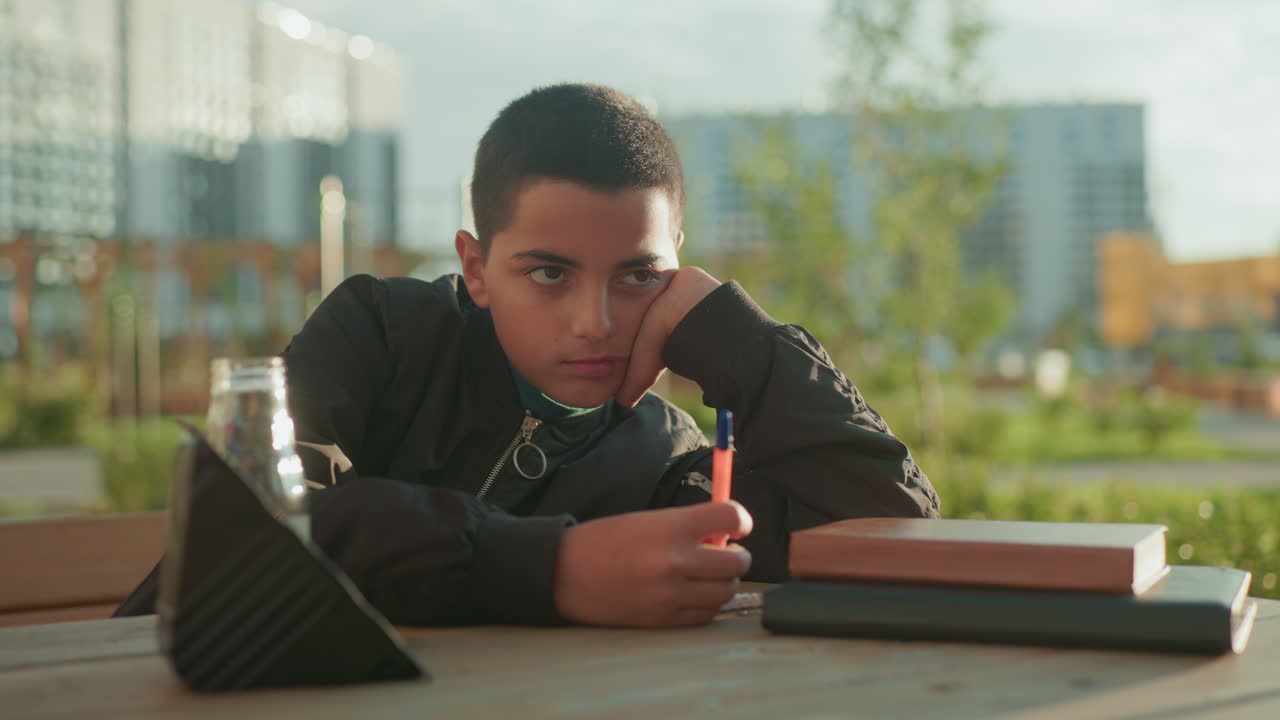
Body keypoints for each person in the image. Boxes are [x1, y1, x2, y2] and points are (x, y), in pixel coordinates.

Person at [117, 83, 938, 628]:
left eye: (637, 277)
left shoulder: (666, 456)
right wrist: (551, 567)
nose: (595, 323)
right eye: (549, 273)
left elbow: (896, 539)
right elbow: (255, 536)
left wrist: (744, 342)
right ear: (475, 267)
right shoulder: (380, 334)